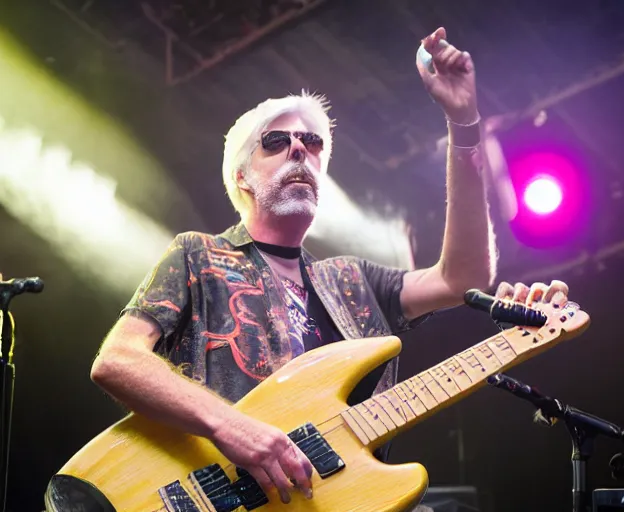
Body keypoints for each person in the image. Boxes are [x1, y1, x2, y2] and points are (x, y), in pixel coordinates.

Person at [89, 27, 569, 507]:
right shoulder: (199, 255)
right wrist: (230, 426)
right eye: (276, 141)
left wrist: (463, 122)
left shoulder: (353, 282)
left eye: (312, 142)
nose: (299, 148)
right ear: (242, 176)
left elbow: (462, 279)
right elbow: (118, 361)